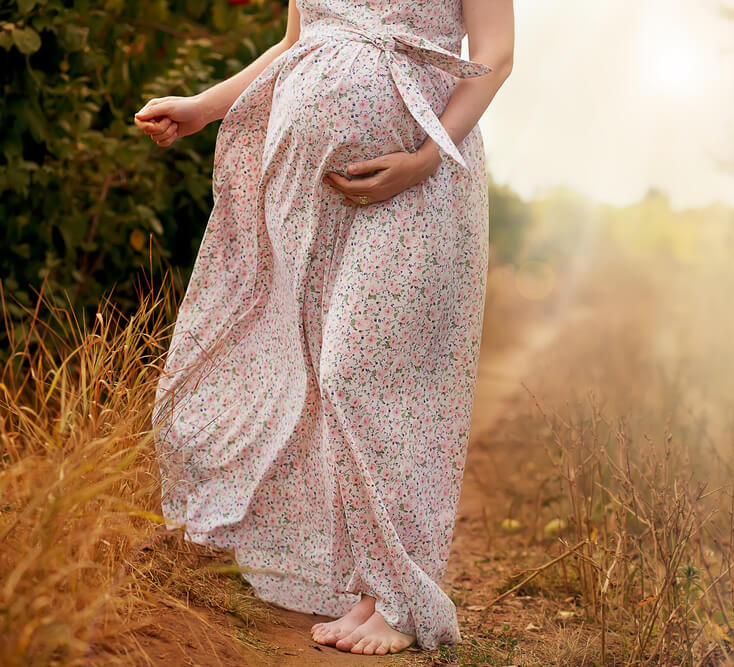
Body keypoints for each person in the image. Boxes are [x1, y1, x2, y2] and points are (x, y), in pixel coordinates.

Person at [133, 0, 514, 656]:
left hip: (420, 180)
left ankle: (399, 598)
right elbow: (296, 42)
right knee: (312, 370)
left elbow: (497, 54)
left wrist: (428, 155)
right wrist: (203, 106)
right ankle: (374, 589)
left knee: (359, 370)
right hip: (307, 192)